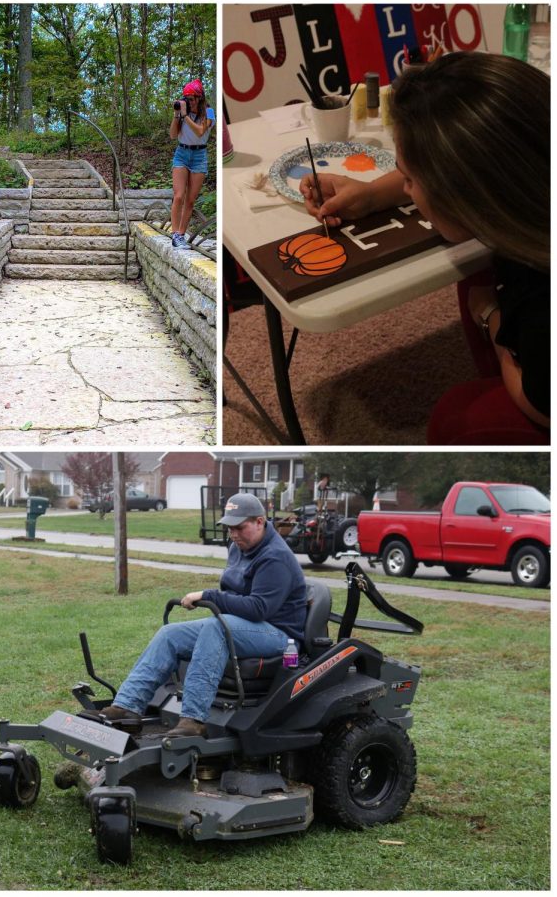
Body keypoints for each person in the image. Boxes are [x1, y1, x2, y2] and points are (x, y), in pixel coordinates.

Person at [299, 52, 549, 445]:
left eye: (410, 178)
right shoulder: (531, 170)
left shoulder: (541, 305)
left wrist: (491, 315)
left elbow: (539, 404)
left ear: (467, 198)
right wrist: (368, 196)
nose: (405, 188)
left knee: (458, 416)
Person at [100, 493, 307, 738]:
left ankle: (193, 720)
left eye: (240, 528)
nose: (233, 534)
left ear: (260, 522)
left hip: (279, 634)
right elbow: (233, 595)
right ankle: (127, 707)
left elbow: (258, 608)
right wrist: (215, 599)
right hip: (245, 626)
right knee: (170, 634)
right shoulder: (239, 547)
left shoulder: (276, 557)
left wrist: (208, 596)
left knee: (217, 628)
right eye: (230, 528)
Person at [168, 78, 215, 250]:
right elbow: (173, 135)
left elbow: (200, 130)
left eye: (192, 98)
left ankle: (181, 233)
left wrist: (186, 115)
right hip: (182, 153)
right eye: (186, 98)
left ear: (199, 98)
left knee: (190, 200)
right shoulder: (182, 114)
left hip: (199, 155)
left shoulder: (209, 112)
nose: (188, 101)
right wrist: (177, 115)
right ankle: (175, 235)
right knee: (179, 195)